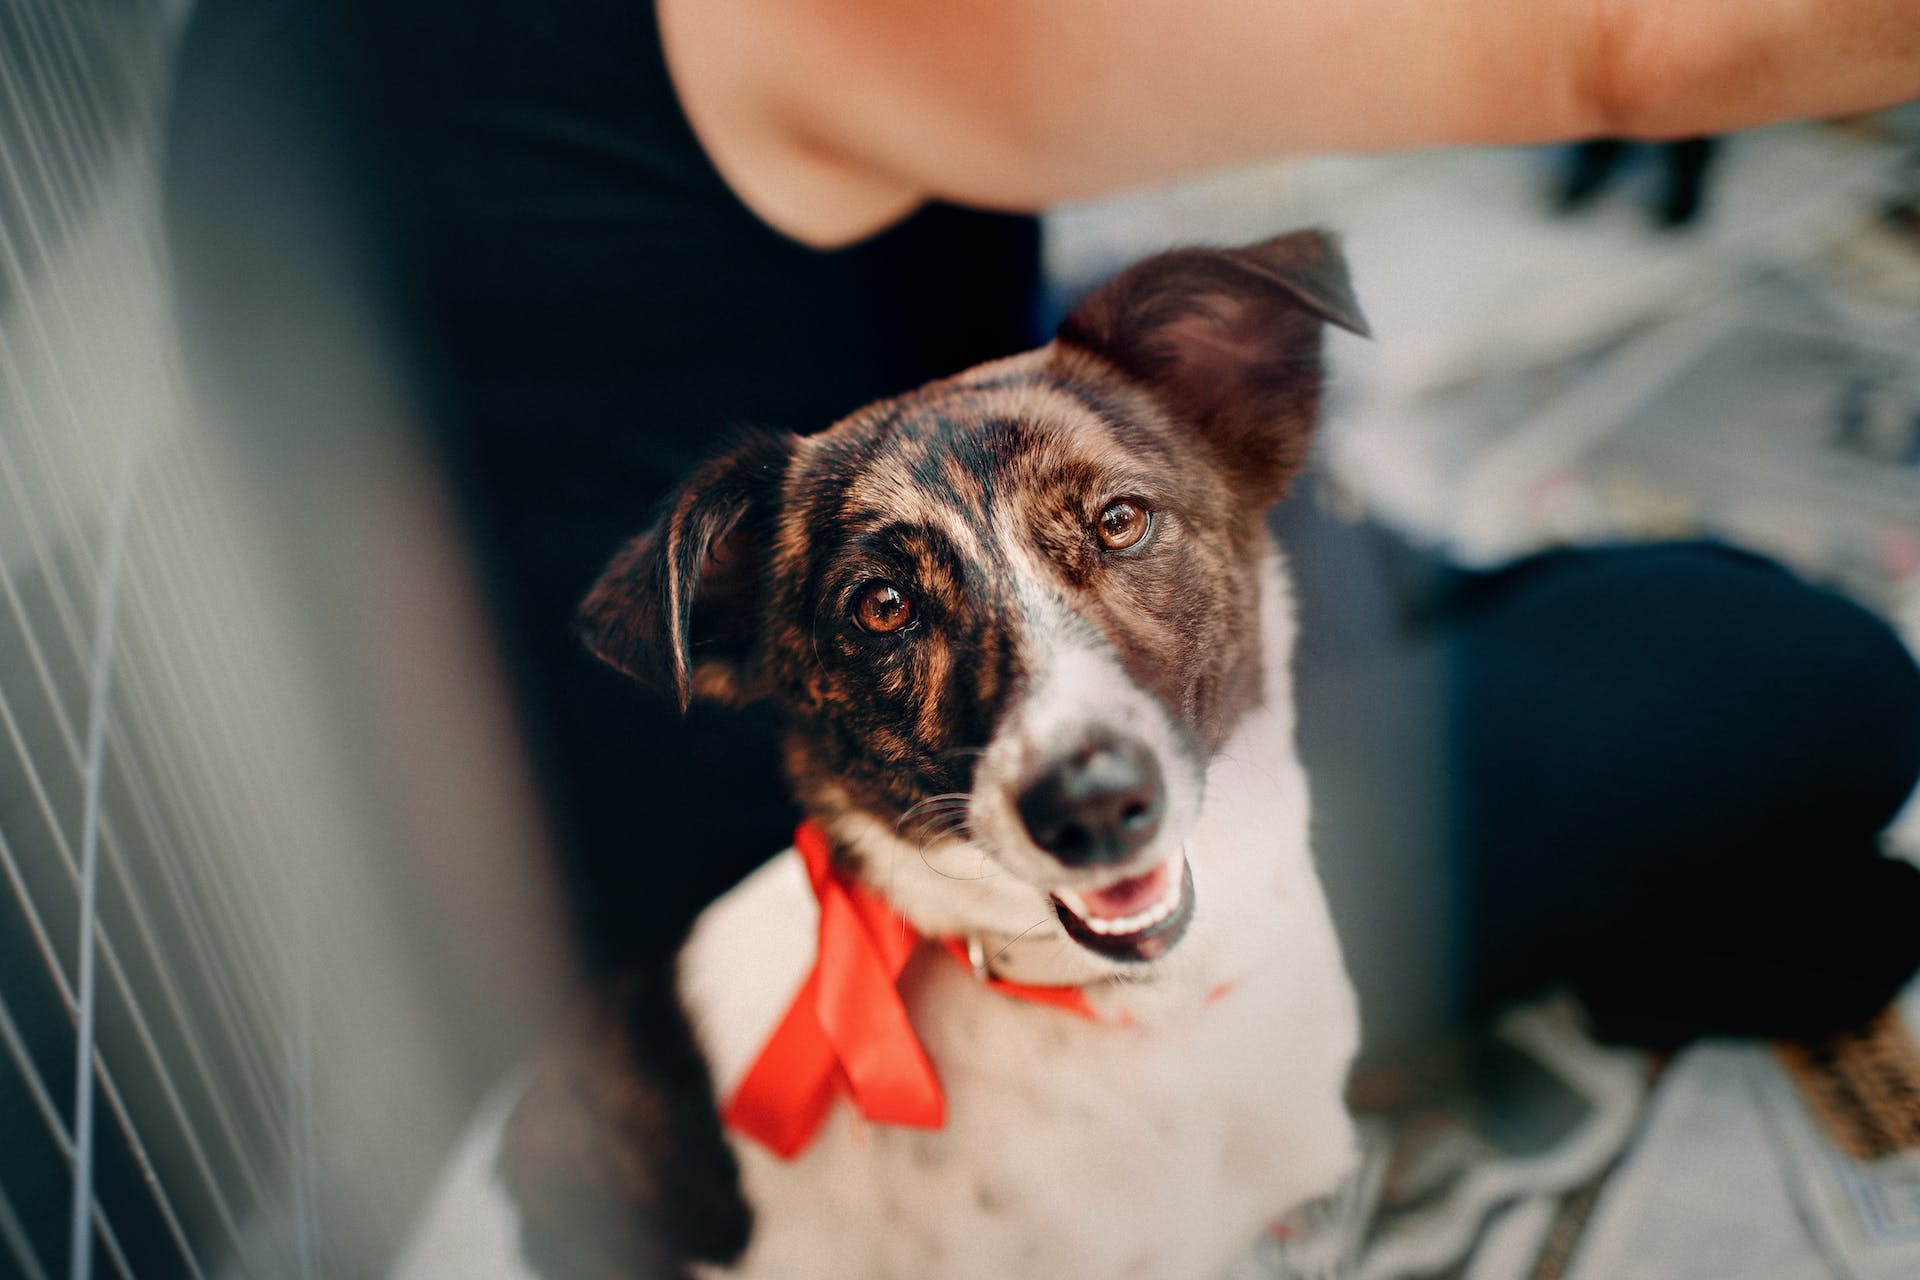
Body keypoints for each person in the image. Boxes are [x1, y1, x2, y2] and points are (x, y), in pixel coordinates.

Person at [166, 0, 1920, 1265]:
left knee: (1356, 565)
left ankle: (1649, 898)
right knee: (1797, 685)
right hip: (859, 938)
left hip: (806, 735)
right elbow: (1634, 42)